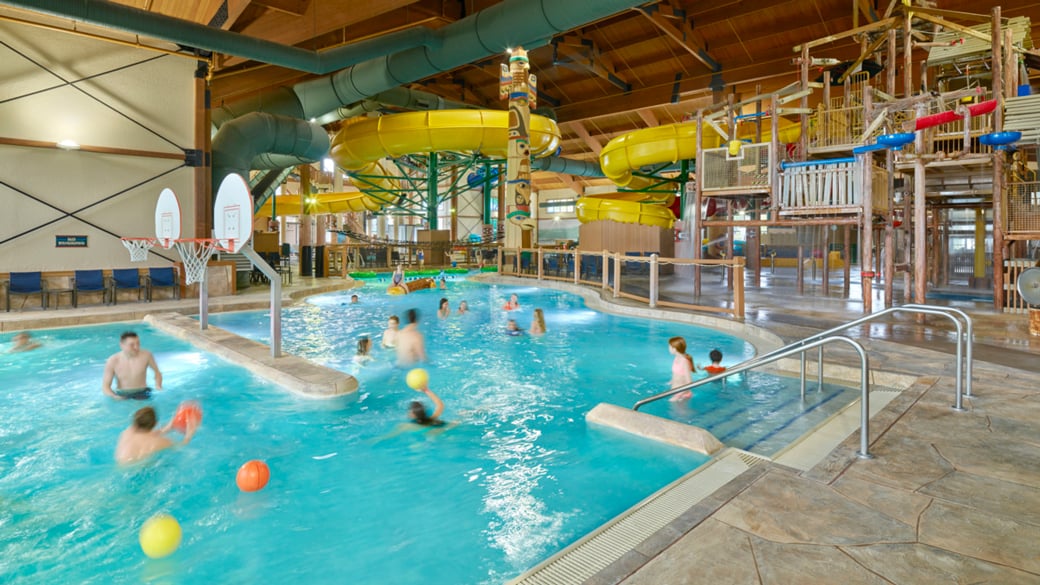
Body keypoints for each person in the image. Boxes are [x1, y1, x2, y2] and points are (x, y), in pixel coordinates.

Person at [115, 406, 194, 464]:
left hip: (121, 467)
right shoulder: (160, 442)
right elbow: (181, 445)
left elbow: (145, 433)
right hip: (138, 472)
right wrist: (189, 434)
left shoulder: (126, 432)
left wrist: (169, 427)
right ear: (155, 423)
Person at [102, 331, 162, 400]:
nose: (136, 347)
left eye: (138, 343)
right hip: (123, 394)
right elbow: (105, 387)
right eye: (132, 345)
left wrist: (158, 386)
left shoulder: (146, 355)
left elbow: (157, 372)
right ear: (122, 345)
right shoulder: (113, 361)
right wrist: (114, 396)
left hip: (143, 392)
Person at [667, 336, 696, 402]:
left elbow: (689, 382)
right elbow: (676, 374)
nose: (668, 348)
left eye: (669, 346)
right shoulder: (676, 358)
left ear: (674, 348)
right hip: (676, 391)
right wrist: (671, 381)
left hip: (682, 394)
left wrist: (678, 396)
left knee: (682, 412)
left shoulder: (684, 361)